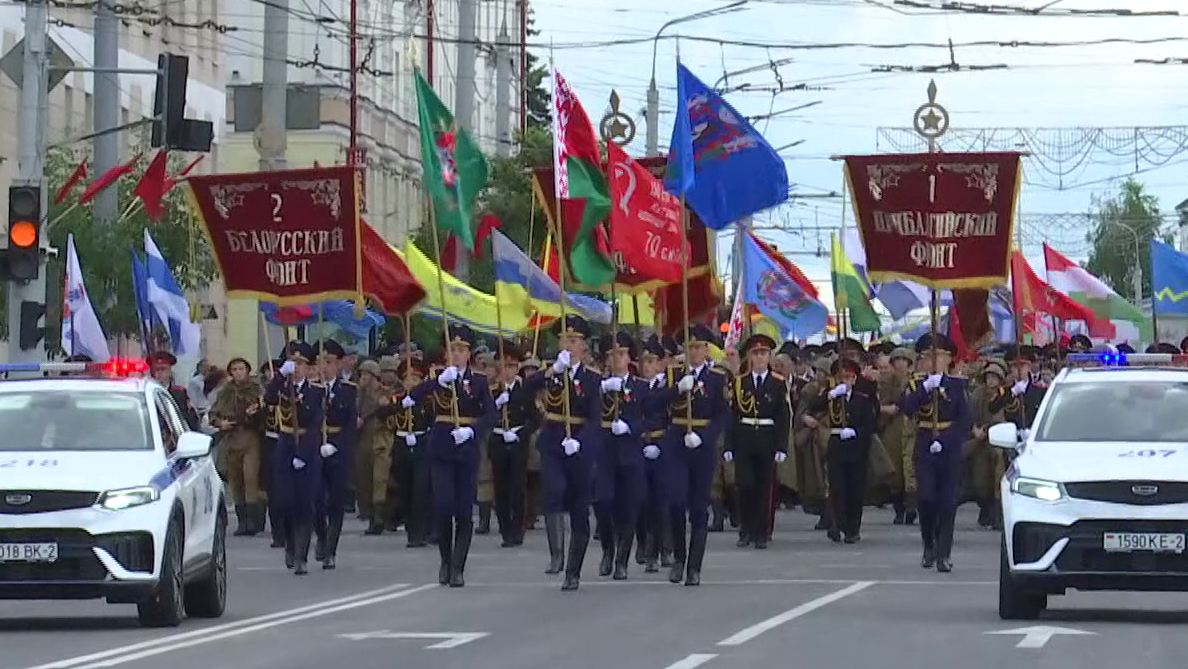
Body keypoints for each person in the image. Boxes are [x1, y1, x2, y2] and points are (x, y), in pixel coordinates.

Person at [404, 324, 495, 587]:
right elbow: (412, 398)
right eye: (452, 349)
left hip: (466, 449)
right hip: (441, 446)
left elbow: (490, 415)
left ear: (469, 354)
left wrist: (471, 430)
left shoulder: (478, 381)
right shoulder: (438, 377)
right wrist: (436, 381)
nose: (456, 354)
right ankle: (445, 561)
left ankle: (458, 566)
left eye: (462, 350)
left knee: (464, 511)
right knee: (444, 507)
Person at [521, 315, 603, 591]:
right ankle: (556, 555)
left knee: (579, 508)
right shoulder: (551, 370)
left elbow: (595, 419)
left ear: (583, 347)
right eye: (564, 340)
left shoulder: (592, 379)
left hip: (579, 444)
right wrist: (550, 372)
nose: (568, 345)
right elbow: (524, 392)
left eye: (574, 340)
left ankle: (573, 570)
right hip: (554, 440)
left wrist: (581, 442)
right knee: (553, 492)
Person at [652, 324, 731, 586]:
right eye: (690, 347)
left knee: (699, 507)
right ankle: (678, 558)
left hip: (701, 443)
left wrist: (705, 436)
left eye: (698, 347)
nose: (694, 352)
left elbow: (722, 414)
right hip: (676, 440)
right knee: (675, 502)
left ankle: (694, 566)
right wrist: (677, 389)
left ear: (706, 350)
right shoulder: (674, 374)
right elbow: (653, 403)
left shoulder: (717, 377)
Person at [900, 333, 971, 573]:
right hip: (923, 443)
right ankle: (928, 544)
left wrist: (946, 439)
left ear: (948, 359)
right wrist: (924, 389)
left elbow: (965, 420)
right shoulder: (916, 384)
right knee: (926, 499)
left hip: (948, 447)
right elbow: (906, 408)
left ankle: (944, 554)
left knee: (948, 501)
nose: (933, 362)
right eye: (928, 357)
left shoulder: (958, 385)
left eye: (939, 356)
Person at [263, 342, 326, 575]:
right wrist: (280, 375)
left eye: (302, 364)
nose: (297, 368)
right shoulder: (281, 388)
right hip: (285, 445)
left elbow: (316, 425)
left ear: (309, 368)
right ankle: (289, 543)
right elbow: (268, 398)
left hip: (307, 449)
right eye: (294, 363)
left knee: (305, 504)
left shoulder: (318, 391)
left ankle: (301, 555)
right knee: (285, 502)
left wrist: (303, 454)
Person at [593, 331, 650, 580]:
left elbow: (651, 418)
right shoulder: (598, 386)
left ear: (629, 357)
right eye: (613, 354)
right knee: (603, 502)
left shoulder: (641, 387)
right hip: (604, 451)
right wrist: (601, 390)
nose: (618, 359)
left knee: (628, 506)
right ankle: (608, 549)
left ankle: (622, 560)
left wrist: (631, 427)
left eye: (623, 353)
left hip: (630, 452)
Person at [725, 334, 789, 550]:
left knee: (764, 487)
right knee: (745, 486)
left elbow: (783, 416)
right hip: (744, 437)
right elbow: (733, 415)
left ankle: (762, 532)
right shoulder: (740, 382)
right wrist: (729, 445)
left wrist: (781, 446)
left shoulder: (778, 383)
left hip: (767, 437)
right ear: (749, 357)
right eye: (756, 354)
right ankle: (746, 530)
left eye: (763, 354)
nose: (760, 358)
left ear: (769, 357)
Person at [812, 358, 876, 543]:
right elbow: (814, 405)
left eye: (849, 377)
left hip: (856, 448)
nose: (846, 381)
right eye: (842, 377)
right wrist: (830, 395)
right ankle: (837, 524)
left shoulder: (862, 400)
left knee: (854, 489)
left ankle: (852, 528)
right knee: (837, 487)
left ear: (855, 379)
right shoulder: (832, 396)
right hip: (837, 445)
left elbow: (870, 424)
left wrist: (856, 431)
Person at [312, 340, 358, 570]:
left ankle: (331, 549)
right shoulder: (312, 389)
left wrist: (336, 444)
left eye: (329, 362)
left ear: (338, 364)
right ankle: (321, 535)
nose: (324, 367)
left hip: (338, 451)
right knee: (317, 500)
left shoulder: (348, 391)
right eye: (321, 361)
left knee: (335, 503)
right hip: (315, 449)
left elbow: (351, 425)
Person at [209, 357, 266, 536]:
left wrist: (255, 413)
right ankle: (242, 521)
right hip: (231, 438)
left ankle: (253, 520)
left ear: (248, 371)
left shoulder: (256, 389)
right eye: (234, 369)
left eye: (242, 368)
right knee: (235, 480)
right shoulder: (225, 392)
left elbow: (265, 411)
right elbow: (213, 414)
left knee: (250, 477)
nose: (238, 372)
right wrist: (220, 423)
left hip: (250, 437)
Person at [488, 343, 537, 548]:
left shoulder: (524, 391)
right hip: (498, 440)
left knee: (517, 487)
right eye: (504, 366)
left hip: (517, 441)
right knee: (500, 488)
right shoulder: (491, 391)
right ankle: (505, 529)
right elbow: (482, 416)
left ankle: (517, 529)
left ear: (517, 368)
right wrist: (496, 404)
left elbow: (535, 419)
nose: (507, 371)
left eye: (511, 366)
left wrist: (520, 434)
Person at [635, 336, 670, 573]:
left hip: (662, 446)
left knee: (661, 502)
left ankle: (660, 549)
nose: (646, 365)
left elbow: (674, 421)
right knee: (639, 501)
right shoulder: (633, 387)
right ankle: (644, 544)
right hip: (637, 446)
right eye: (643, 360)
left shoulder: (669, 387)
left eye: (651, 360)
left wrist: (662, 444)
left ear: (661, 363)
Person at [390, 358, 435, 545]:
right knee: (405, 490)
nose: (412, 382)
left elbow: (433, 421)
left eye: (416, 379)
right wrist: (399, 405)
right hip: (401, 445)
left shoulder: (428, 400)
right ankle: (410, 530)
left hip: (421, 444)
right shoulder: (397, 399)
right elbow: (383, 413)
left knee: (421, 489)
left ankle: (421, 531)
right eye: (408, 378)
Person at [354, 360, 398, 535]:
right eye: (361, 374)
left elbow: (392, 416)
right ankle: (371, 515)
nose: (363, 378)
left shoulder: (385, 394)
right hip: (362, 441)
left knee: (381, 480)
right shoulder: (358, 395)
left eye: (366, 374)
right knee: (364, 481)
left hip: (381, 441)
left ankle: (381, 517)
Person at [149, 351, 200, 430]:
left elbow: (191, 420)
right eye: (156, 370)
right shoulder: (147, 393)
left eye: (163, 369)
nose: (158, 373)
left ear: (170, 371)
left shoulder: (179, 393)